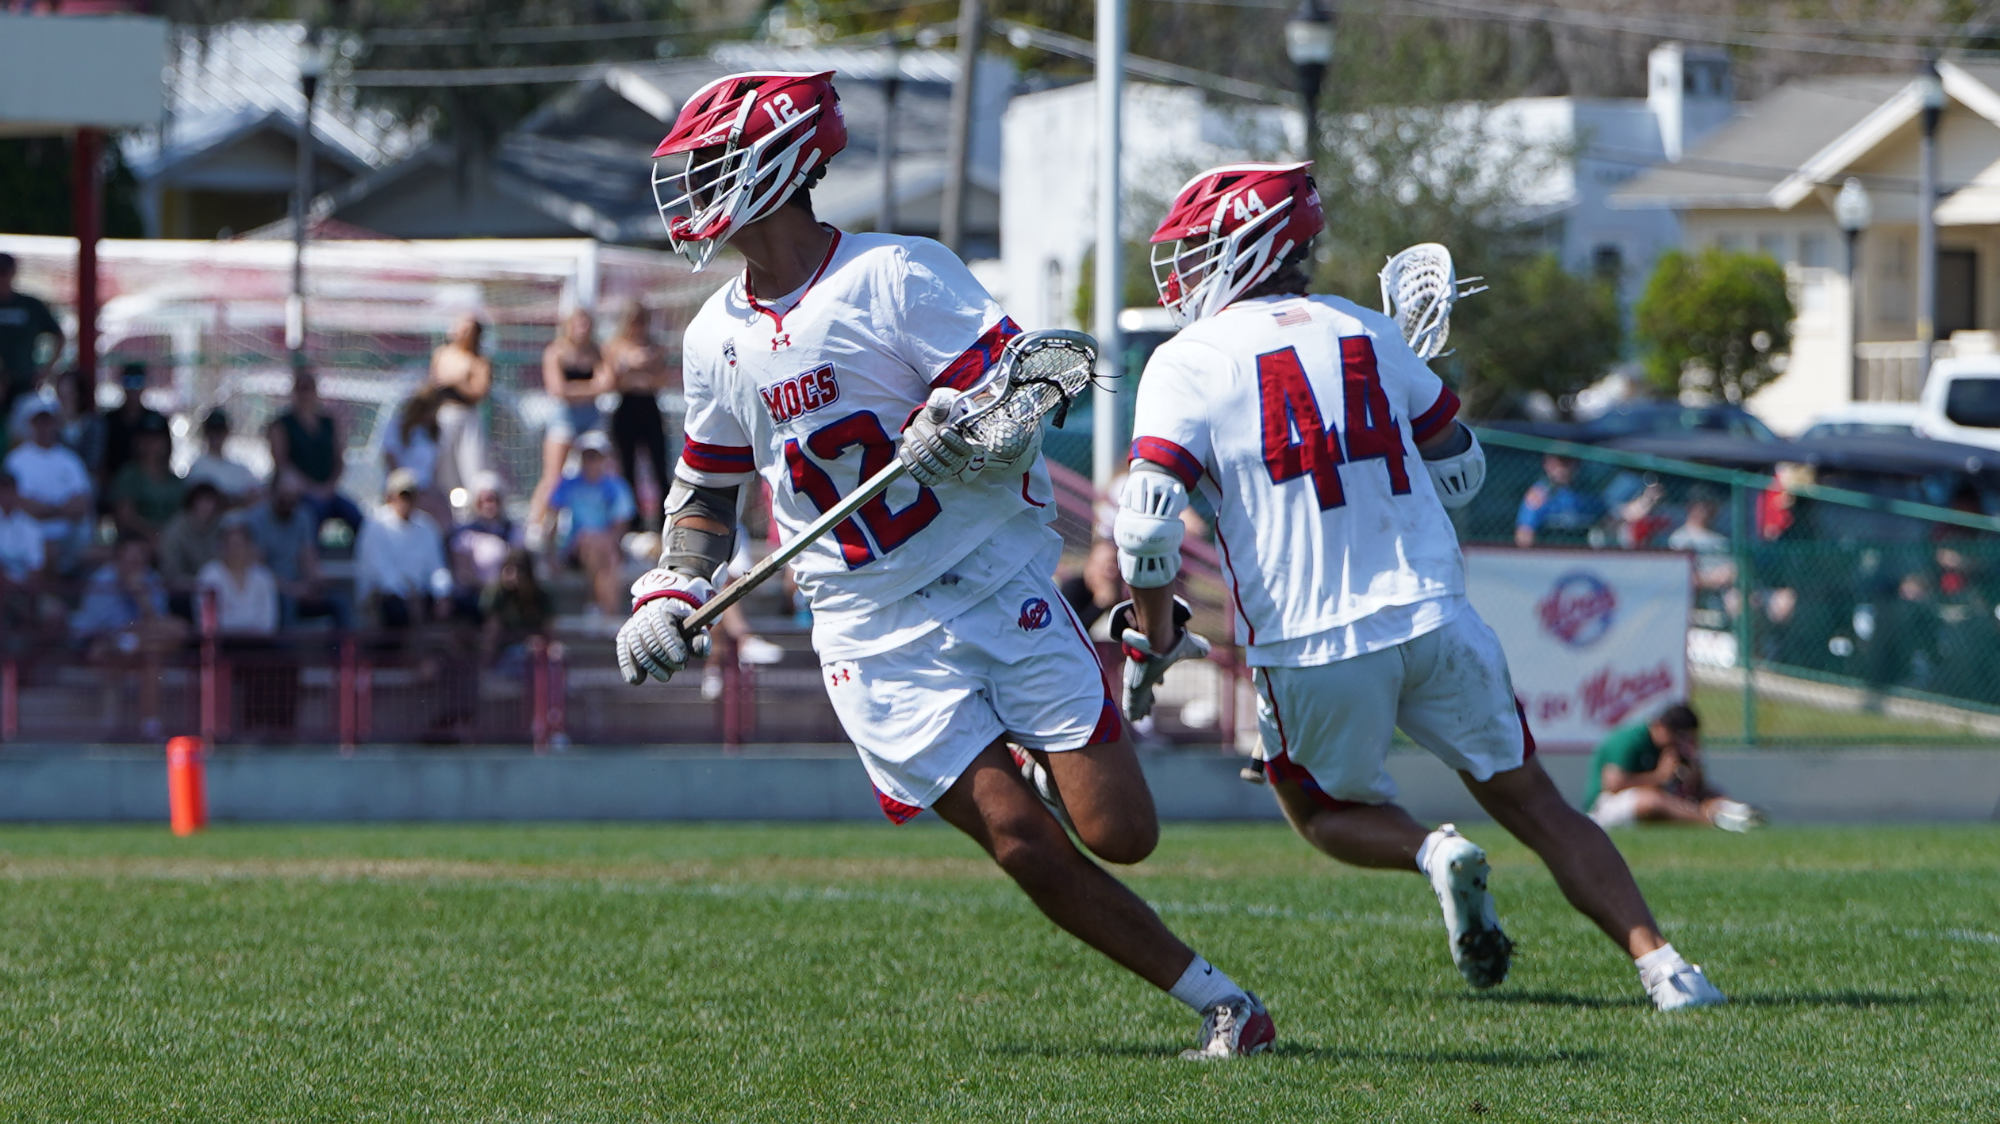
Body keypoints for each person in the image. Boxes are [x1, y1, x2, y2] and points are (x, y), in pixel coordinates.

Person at [614, 72, 1271, 1060]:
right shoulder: (714, 337)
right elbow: (705, 493)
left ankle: (1086, 689)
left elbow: (1038, 381)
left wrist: (959, 430)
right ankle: (1223, 1003)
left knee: (1122, 829)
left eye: (711, 164)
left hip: (988, 575)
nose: (694, 187)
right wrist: (671, 588)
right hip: (866, 622)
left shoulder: (895, 275)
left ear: (781, 164)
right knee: (1018, 839)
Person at [1120, 161, 1726, 1013]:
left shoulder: (1188, 360)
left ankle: (1433, 853)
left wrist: (1151, 628)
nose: (1181, 274)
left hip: (1312, 635)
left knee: (1320, 811)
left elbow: (1146, 525)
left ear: (1245, 247)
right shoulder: (1370, 330)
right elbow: (1464, 471)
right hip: (1436, 612)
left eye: (1195, 251)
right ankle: (1666, 968)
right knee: (1541, 806)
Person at [71, 535, 188, 738]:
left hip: (139, 643)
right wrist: (136, 629)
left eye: (139, 559)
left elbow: (158, 621)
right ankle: (144, 724)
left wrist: (140, 596)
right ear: (118, 560)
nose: (135, 564)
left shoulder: (150, 578)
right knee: (146, 649)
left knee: (169, 637)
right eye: (130, 559)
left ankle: (149, 727)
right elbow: (102, 628)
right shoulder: (102, 580)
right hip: (99, 643)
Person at [1584, 704, 1761, 832]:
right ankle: (1712, 821)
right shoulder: (1629, 739)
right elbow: (1613, 785)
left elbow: (1692, 787)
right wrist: (1659, 777)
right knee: (1653, 800)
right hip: (1604, 807)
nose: (1681, 743)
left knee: (1710, 793)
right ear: (1661, 727)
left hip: (1658, 801)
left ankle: (1739, 813)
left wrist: (1693, 775)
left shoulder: (1672, 749)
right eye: (1680, 737)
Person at [531, 309, 611, 527]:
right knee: (553, 477)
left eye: (586, 323)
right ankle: (537, 526)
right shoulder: (556, 352)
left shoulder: (596, 352)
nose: (582, 328)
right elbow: (557, 389)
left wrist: (573, 390)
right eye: (578, 323)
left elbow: (606, 383)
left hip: (591, 418)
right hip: (564, 418)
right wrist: (590, 388)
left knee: (600, 471)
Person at [545, 431, 636, 619]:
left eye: (595, 456)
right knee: (591, 542)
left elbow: (620, 526)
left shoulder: (615, 486)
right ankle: (606, 612)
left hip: (605, 547)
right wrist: (551, 553)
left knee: (603, 553)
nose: (591, 461)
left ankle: (599, 607)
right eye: (587, 456)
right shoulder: (569, 484)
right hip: (574, 547)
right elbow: (552, 519)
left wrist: (605, 541)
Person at [244, 469, 349, 630]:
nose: (289, 501)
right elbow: (259, 571)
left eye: (294, 497)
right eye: (285, 495)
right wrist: (293, 590)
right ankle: (287, 655)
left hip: (299, 587)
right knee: (285, 603)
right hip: (272, 590)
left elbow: (308, 556)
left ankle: (345, 654)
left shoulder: (304, 515)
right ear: (273, 492)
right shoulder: (256, 519)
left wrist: (313, 583)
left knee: (340, 601)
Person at [603, 299, 676, 528]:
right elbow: (613, 381)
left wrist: (640, 372)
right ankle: (632, 522)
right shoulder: (615, 346)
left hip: (650, 407)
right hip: (626, 407)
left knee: (659, 464)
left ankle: (664, 520)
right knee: (627, 466)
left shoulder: (654, 347)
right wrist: (634, 369)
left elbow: (661, 380)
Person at [268, 370, 363, 538]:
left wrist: (329, 486)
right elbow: (282, 462)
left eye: (309, 389)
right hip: (298, 492)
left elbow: (338, 460)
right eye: (301, 389)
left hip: (328, 490)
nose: (305, 394)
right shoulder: (282, 424)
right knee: (312, 514)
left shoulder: (328, 423)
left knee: (356, 516)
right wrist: (310, 489)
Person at [3, 397, 93, 573]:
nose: (45, 426)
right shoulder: (15, 460)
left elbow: (82, 503)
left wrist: (47, 510)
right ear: (30, 423)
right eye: (39, 421)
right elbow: (16, 502)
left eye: (48, 420)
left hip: (69, 539)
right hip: (28, 539)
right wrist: (60, 509)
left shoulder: (70, 460)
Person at [356, 468, 449, 630]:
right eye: (403, 495)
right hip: (385, 596)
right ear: (390, 496)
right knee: (397, 613)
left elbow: (436, 567)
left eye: (411, 495)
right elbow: (382, 572)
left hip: (418, 594)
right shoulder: (375, 525)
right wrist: (408, 596)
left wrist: (443, 593)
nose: (407, 501)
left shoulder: (427, 526)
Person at [428, 314, 493, 498]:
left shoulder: (479, 360)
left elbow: (479, 391)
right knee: (444, 464)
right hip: (446, 413)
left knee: (472, 464)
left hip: (469, 415)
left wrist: (458, 382)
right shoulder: (443, 354)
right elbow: (436, 380)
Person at [0, 252, 63, 429]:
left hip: (24, 384)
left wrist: (47, 370)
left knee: (22, 433)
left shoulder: (30, 305)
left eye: (4, 273)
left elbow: (58, 335)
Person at [381, 386, 453, 527]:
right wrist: (404, 490)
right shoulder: (398, 425)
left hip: (427, 489)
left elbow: (434, 468)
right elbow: (389, 458)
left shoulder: (434, 432)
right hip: (405, 489)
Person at [109, 412, 185, 543]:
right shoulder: (129, 475)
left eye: (157, 439)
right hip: (136, 543)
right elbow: (125, 518)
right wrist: (153, 535)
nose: (152, 445)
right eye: (147, 438)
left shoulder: (176, 481)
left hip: (173, 544)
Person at [157, 482, 226, 611]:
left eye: (210, 501)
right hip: (185, 593)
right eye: (201, 501)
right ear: (191, 503)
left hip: (217, 590)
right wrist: (199, 585)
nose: (206, 507)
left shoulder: (222, 527)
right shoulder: (175, 531)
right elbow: (170, 573)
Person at [1514, 454, 1604, 547]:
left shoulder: (1588, 493)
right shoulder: (1539, 494)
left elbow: (1606, 520)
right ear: (1547, 465)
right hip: (1549, 552)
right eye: (1558, 463)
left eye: (1568, 463)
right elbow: (1524, 534)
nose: (1562, 469)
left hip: (1583, 553)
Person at [481, 547, 553, 660]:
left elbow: (549, 630)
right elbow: (492, 633)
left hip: (536, 651)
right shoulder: (498, 595)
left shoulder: (540, 597)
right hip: (505, 653)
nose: (508, 575)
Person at [184, 408, 262, 507]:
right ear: (206, 433)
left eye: (220, 431)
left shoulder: (239, 468)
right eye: (213, 431)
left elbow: (257, 493)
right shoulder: (198, 467)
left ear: (226, 433)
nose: (216, 436)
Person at [0, 470, 44, 627]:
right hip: (3, 586)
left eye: (9, 490)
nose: (6, 496)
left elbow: (36, 567)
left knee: (55, 614)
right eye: (2, 491)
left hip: (25, 589)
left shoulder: (31, 527)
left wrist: (24, 589)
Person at [1060, 537, 1126, 634]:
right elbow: (1069, 632)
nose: (1112, 575)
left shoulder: (1124, 595)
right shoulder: (1073, 590)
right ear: (1090, 567)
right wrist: (1099, 605)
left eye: (1116, 567)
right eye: (1106, 568)